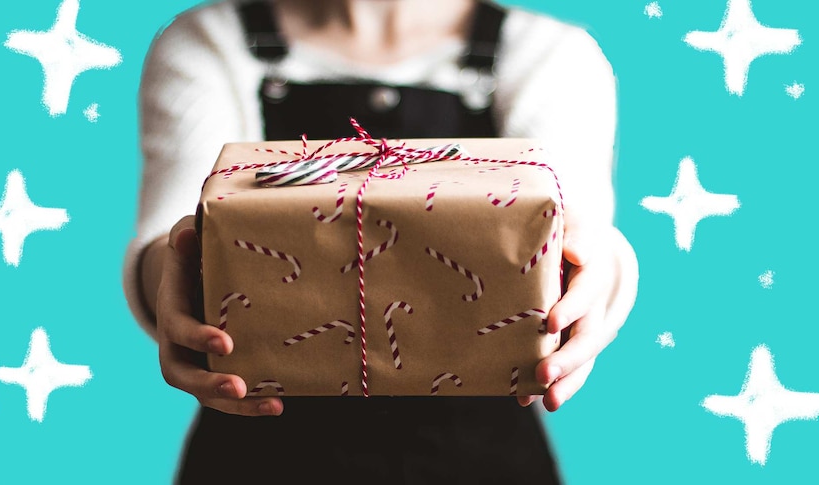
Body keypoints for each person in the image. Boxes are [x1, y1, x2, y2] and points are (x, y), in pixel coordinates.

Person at [124, 0, 639, 483]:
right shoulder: (210, 43)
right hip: (258, 453)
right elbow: (174, 233)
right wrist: (173, 279)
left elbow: (577, 230)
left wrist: (605, 271)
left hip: (484, 458)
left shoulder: (549, 55)